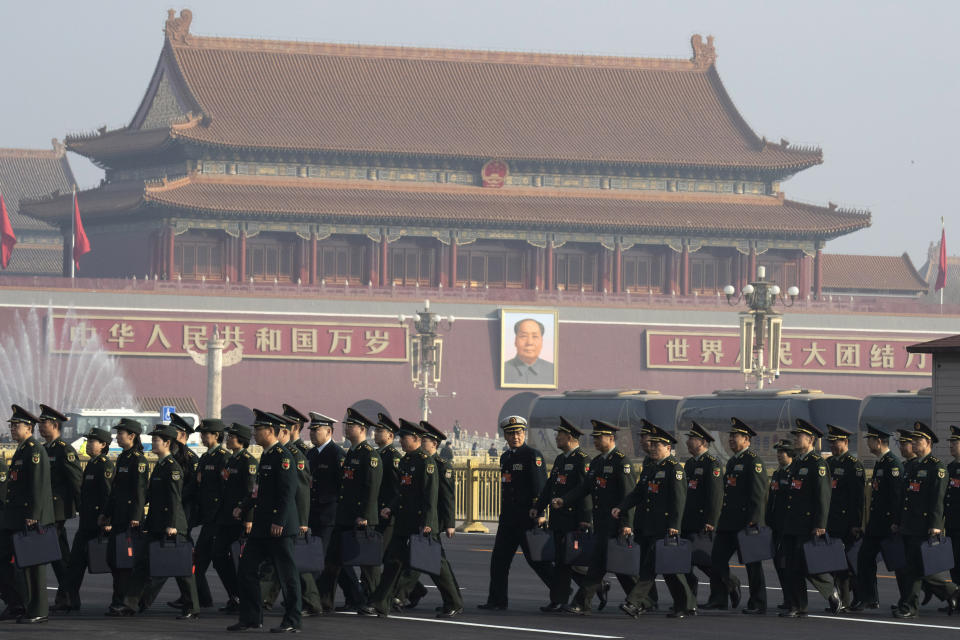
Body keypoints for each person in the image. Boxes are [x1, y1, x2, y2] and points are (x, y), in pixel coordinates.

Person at [361, 420, 462, 618]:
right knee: (393, 562)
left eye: (404, 437)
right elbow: (403, 491)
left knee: (436, 565)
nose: (401, 441)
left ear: (415, 438)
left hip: (420, 522)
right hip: (404, 521)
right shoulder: (407, 460)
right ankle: (380, 603)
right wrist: (391, 507)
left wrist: (427, 523)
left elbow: (430, 497)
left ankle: (454, 602)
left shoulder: (427, 463)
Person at [227, 409, 302, 633]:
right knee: (246, 570)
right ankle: (251, 618)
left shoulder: (283, 456)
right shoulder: (267, 456)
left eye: (257, 429)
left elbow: (287, 493)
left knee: (286, 575)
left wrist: (279, 520)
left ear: (271, 431)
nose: (254, 434)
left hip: (279, 527)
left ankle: (292, 620)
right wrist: (243, 506)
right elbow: (259, 491)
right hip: (262, 527)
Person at [119, 423, 200, 619]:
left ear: (167, 443)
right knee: (142, 565)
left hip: (172, 526)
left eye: (156, 440)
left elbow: (174, 499)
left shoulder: (172, 468)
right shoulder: (161, 466)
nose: (153, 443)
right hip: (157, 524)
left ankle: (192, 608)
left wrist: (172, 525)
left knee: (182, 570)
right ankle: (130, 604)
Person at [616, 423, 695, 618]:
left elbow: (679, 501)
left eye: (656, 446)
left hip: (665, 526)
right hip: (649, 525)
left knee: (650, 568)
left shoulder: (674, 469)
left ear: (668, 448)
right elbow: (638, 493)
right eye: (651, 445)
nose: (652, 448)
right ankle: (686, 604)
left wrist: (674, 526)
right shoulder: (652, 468)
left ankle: (634, 602)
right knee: (670, 570)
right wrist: (622, 507)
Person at [558, 420, 637, 615]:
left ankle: (582, 602)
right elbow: (584, 488)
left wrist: (626, 523)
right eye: (594, 437)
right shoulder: (597, 462)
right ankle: (643, 599)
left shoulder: (622, 462)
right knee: (614, 566)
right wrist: (564, 500)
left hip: (615, 522)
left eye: (598, 437)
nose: (595, 440)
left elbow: (628, 495)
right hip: (601, 521)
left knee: (599, 563)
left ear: (610, 438)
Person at [479, 415, 554, 610]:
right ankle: (496, 600)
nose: (515, 436)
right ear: (505, 435)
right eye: (511, 433)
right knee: (499, 561)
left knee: (537, 561)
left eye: (519, 433)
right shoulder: (506, 457)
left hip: (527, 518)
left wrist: (540, 512)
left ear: (524, 434)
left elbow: (540, 487)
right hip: (509, 518)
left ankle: (561, 594)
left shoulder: (532, 455)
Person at [891, 422, 959, 618]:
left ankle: (910, 607)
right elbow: (905, 497)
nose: (913, 443)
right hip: (909, 524)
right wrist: (898, 520)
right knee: (915, 567)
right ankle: (951, 591)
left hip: (923, 525)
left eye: (917, 440)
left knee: (916, 567)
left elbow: (937, 500)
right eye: (911, 440)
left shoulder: (936, 467)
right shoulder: (913, 466)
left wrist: (936, 525)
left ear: (928, 442)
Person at [319, 408, 382, 611]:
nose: (346, 428)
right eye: (346, 425)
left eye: (350, 425)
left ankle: (375, 601)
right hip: (344, 515)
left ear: (362, 429)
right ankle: (324, 601)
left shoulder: (369, 455)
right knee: (332, 560)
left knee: (367, 565)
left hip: (360, 517)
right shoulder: (351, 453)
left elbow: (371, 488)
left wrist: (364, 514)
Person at [777, 419, 840, 618]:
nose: (795, 439)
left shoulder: (818, 464)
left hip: (807, 523)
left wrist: (820, 524)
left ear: (811, 439)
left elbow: (823, 496)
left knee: (803, 564)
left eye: (799, 436)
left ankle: (830, 590)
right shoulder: (798, 463)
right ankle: (798, 606)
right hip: (792, 522)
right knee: (792, 566)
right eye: (795, 436)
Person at [703, 417, 766, 614]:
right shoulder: (732, 461)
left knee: (753, 565)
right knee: (717, 559)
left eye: (735, 436)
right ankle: (719, 598)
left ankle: (758, 602)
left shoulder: (753, 462)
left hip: (746, 522)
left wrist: (754, 520)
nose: (731, 439)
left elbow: (758, 494)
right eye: (730, 436)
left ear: (746, 439)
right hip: (729, 522)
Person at [0, 405, 54, 623]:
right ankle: (20, 604)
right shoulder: (23, 449)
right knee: (13, 564)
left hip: (29, 517)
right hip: (16, 517)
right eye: (11, 426)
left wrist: (34, 514)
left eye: (16, 426)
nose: (13, 429)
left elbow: (38, 486)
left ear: (29, 428)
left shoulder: (34, 450)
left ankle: (39, 610)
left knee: (33, 566)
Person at [533, 416, 592, 613]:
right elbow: (551, 486)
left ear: (569, 437)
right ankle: (558, 599)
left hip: (573, 519)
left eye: (559, 435)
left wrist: (585, 519)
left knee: (571, 561)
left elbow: (585, 492)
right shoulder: (560, 459)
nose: (556, 438)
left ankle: (593, 587)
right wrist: (539, 507)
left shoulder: (582, 459)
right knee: (560, 562)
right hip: (558, 519)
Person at [143, 412, 200, 612]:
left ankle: (192, 602)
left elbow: (189, 488)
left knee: (178, 561)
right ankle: (191, 601)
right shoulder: (169, 459)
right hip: (169, 513)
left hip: (181, 513)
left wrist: (175, 516)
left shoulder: (187, 458)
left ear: (181, 434)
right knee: (173, 561)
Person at [307, 412, 364, 613]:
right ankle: (355, 597)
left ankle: (310, 601)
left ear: (329, 432)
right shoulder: (311, 454)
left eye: (317, 430)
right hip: (314, 514)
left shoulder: (337, 454)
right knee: (335, 560)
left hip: (330, 515)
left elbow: (344, 488)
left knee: (317, 559)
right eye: (312, 430)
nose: (313, 434)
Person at [57, 427, 115, 612]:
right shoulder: (92, 463)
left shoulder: (104, 465)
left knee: (112, 564)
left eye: (92, 441)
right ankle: (69, 601)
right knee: (75, 564)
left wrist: (107, 519)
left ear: (103, 445)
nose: (88, 444)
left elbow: (107, 495)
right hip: (87, 523)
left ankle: (127, 599)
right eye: (88, 441)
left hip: (98, 522)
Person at [851, 423, 902, 612]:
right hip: (877, 524)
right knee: (865, 559)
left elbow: (896, 496)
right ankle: (869, 598)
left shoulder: (892, 464)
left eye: (870, 440)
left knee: (899, 564)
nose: (868, 444)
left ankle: (911, 599)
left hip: (888, 524)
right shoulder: (881, 462)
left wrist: (896, 522)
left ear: (878, 442)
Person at [101, 418, 149, 614]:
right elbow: (116, 491)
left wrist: (136, 517)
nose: (117, 436)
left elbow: (139, 491)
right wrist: (106, 513)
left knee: (125, 562)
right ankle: (119, 599)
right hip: (119, 516)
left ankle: (125, 601)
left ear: (132, 436)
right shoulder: (123, 457)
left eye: (121, 433)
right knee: (113, 559)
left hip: (130, 518)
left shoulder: (138, 460)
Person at [37, 404, 82, 612]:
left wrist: (83, 509)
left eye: (43, 423)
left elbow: (76, 481)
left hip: (57, 509)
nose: (39, 426)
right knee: (60, 556)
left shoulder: (64, 449)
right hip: (47, 510)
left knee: (47, 554)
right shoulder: (45, 449)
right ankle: (68, 598)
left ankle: (62, 598)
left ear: (54, 425)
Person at [210, 422, 257, 613]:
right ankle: (235, 594)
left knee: (242, 561)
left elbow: (251, 493)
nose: (228, 439)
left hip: (240, 519)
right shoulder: (231, 460)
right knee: (218, 555)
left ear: (241, 440)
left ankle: (243, 598)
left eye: (231, 436)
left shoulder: (249, 461)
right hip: (226, 517)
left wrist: (249, 519)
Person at [680, 421, 722, 603]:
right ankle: (689, 598)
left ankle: (729, 583)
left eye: (692, 439)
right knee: (685, 562)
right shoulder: (689, 464)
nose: (688, 442)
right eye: (688, 438)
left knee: (705, 562)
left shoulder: (711, 464)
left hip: (702, 521)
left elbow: (715, 496)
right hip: (688, 520)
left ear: (703, 442)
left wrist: (711, 520)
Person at [191, 418, 230, 609]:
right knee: (200, 560)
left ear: (216, 435)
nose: (202, 437)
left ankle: (236, 597)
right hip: (207, 518)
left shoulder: (223, 458)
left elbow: (225, 491)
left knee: (218, 561)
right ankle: (201, 598)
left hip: (217, 519)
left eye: (205, 434)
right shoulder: (205, 458)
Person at [825, 424, 865, 611]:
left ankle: (857, 597)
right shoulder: (831, 463)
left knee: (847, 565)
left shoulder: (853, 465)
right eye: (831, 442)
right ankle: (844, 600)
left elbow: (858, 499)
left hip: (847, 523)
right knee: (835, 564)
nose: (833, 445)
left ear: (846, 442)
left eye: (836, 442)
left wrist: (856, 524)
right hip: (832, 522)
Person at [767, 439, 794, 610]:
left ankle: (792, 599)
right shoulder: (777, 473)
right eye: (777, 452)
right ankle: (787, 598)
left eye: (781, 452)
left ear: (790, 454)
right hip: (776, 524)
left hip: (788, 524)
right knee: (779, 563)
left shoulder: (793, 473)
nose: (778, 455)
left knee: (788, 563)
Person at [503, 318, 555, 385]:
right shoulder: (503, 370)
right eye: (523, 336)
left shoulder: (553, 371)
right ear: (515, 341)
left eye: (535, 336)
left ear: (542, 341)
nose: (529, 342)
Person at [946, 426, 960, 591]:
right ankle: (956, 596)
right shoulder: (949, 468)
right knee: (953, 561)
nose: (951, 445)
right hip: (951, 524)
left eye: (955, 442)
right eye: (950, 442)